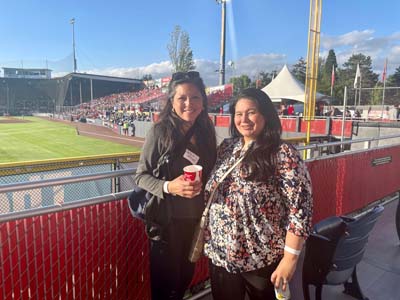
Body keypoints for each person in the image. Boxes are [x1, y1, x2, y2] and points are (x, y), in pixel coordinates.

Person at [204, 88, 313, 300]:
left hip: (261, 259)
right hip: (221, 256)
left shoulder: (282, 154)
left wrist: (289, 261)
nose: (243, 119)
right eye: (238, 113)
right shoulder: (227, 147)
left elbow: (300, 212)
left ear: (266, 115)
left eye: (251, 112)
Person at [134, 71, 217, 300]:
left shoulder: (206, 131)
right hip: (166, 223)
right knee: (164, 288)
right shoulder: (159, 131)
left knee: (183, 281)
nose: (189, 103)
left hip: (195, 223)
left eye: (195, 97)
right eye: (182, 98)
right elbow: (141, 176)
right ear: (172, 102)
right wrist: (170, 186)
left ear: (203, 101)